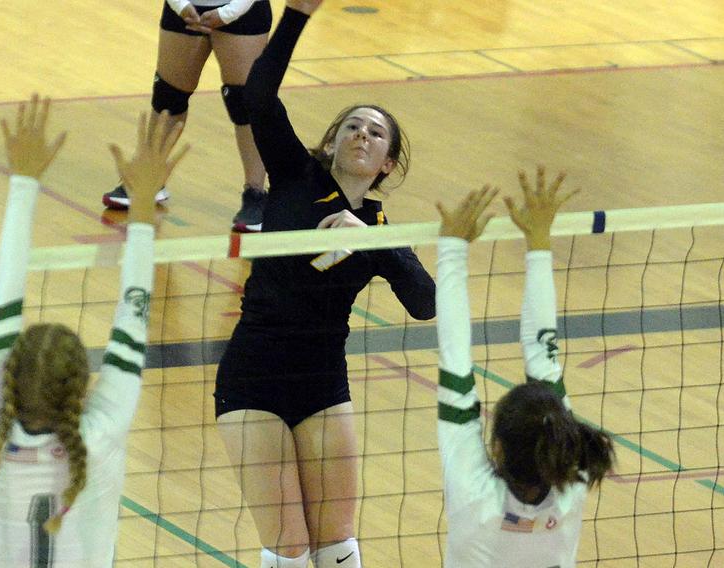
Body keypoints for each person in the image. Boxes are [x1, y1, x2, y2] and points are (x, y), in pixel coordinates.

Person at [214, 2, 436, 567]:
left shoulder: (380, 229)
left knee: (336, 545)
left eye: (376, 133)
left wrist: (371, 241)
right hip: (254, 377)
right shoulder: (294, 173)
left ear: (387, 163)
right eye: (352, 127)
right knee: (289, 546)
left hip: (321, 382)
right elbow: (257, 97)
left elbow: (426, 303)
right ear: (332, 142)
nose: (362, 135)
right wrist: (294, 15)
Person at [0, 95, 188, 567]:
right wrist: (144, 205)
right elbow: (135, 314)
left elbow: (6, 296)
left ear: (10, 376)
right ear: (82, 385)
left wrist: (24, 181)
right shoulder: (99, 435)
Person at [434, 168, 616, 567]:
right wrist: (537, 241)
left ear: (496, 449)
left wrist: (456, 249)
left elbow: (540, 358)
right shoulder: (573, 486)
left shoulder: (475, 493)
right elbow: (534, 361)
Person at [102, 0, 271, 233]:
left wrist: (228, 13)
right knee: (168, 97)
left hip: (241, 9)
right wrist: (180, 5)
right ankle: (149, 177)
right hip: (184, 11)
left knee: (244, 103)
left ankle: (255, 194)